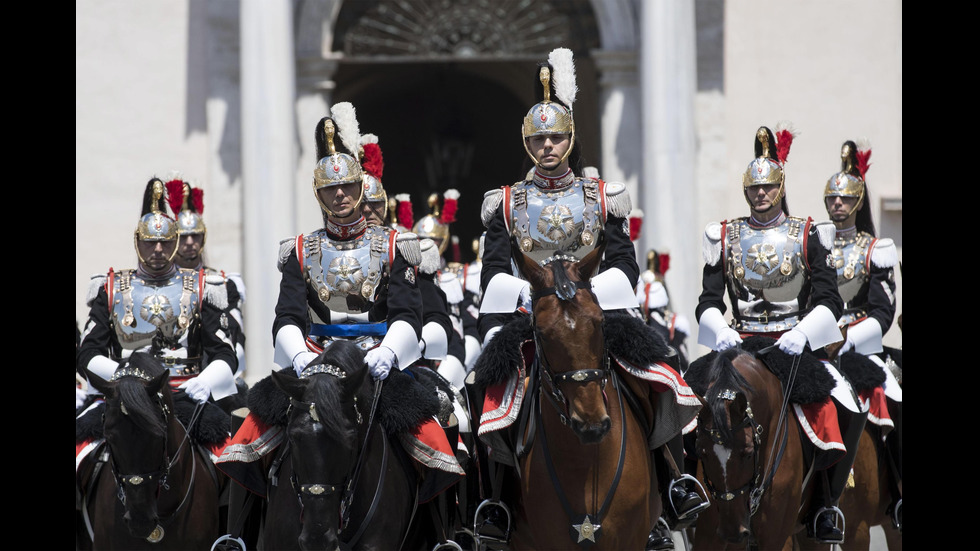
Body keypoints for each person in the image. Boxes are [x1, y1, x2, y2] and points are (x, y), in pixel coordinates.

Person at [476, 48, 703, 551]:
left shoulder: (604, 196)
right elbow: (493, 272)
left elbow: (624, 263)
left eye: (555, 136)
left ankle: (673, 485)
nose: (548, 145)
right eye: (538, 138)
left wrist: (582, 299)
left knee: (662, 378)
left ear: (571, 138)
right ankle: (492, 502)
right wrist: (541, 300)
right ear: (527, 143)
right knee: (485, 392)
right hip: (531, 318)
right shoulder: (505, 203)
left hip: (596, 312)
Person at [214, 105, 464, 543]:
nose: (341, 196)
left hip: (379, 359)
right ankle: (237, 535)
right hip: (316, 360)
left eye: (348, 186)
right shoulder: (299, 249)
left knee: (436, 426)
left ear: (360, 188)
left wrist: (389, 352)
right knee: (249, 431)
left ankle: (443, 533)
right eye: (331, 189)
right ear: (320, 194)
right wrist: (298, 357)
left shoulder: (396, 245)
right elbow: (287, 316)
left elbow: (408, 314)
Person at [696, 124, 862, 544]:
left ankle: (826, 503)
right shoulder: (724, 237)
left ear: (780, 186)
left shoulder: (808, 233)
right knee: (684, 401)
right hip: (740, 342)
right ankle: (685, 491)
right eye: (754, 188)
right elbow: (709, 299)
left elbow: (830, 299)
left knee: (845, 403)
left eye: (768, 187)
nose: (761, 194)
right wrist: (718, 329)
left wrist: (804, 333)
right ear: (746, 190)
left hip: (792, 343)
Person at [823, 138, 902, 530]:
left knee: (897, 395)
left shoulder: (877, 248)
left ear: (857, 201)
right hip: (821, 342)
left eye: (844, 198)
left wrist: (849, 338)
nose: (837, 204)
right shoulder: (814, 245)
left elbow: (884, 311)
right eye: (832, 199)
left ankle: (900, 492)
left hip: (863, 344)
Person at [165, 177, 249, 380]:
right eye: (184, 236)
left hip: (212, 370)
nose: (190, 242)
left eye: (195, 235)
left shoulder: (222, 283)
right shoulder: (161, 282)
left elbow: (234, 335)